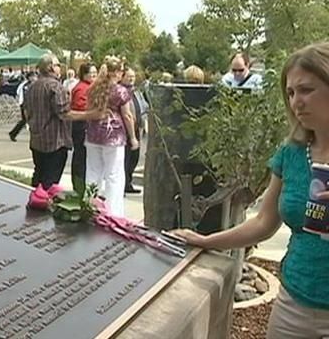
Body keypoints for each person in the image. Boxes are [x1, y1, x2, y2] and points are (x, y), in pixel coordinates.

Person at [173, 42, 329, 338]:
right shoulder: (291, 153)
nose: (297, 102)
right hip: (295, 303)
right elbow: (263, 223)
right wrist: (205, 240)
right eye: (291, 93)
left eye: (307, 90)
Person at [23, 54, 104, 190]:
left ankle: (33, 203)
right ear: (50, 68)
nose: (60, 68)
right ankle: (43, 207)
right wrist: (91, 114)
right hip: (55, 142)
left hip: (36, 140)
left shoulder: (32, 86)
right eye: (57, 65)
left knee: (38, 178)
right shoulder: (55, 87)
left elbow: (25, 111)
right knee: (50, 183)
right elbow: (65, 114)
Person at [85, 56, 138, 216]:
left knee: (93, 171)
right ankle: (114, 212)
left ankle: (88, 205)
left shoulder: (94, 88)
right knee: (114, 175)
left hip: (94, 134)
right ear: (116, 72)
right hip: (113, 136)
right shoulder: (120, 91)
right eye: (121, 70)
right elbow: (127, 115)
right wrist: (133, 137)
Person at [70, 63, 98, 191]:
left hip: (85, 124)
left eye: (95, 73)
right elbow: (81, 106)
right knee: (81, 158)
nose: (93, 75)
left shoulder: (89, 86)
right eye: (91, 73)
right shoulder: (82, 88)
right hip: (81, 126)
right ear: (84, 74)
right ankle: (79, 186)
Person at [121, 68, 146, 194]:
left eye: (133, 76)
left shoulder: (137, 92)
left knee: (134, 158)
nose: (131, 78)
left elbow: (143, 107)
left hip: (137, 127)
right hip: (125, 129)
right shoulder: (122, 91)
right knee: (126, 158)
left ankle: (128, 182)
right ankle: (123, 184)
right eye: (129, 76)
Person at [9, 71, 37, 141]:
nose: (34, 78)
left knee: (28, 120)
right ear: (29, 77)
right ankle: (13, 133)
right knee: (25, 120)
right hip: (25, 105)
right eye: (33, 76)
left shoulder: (34, 84)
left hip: (32, 105)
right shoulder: (26, 85)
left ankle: (13, 133)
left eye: (35, 76)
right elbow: (24, 95)